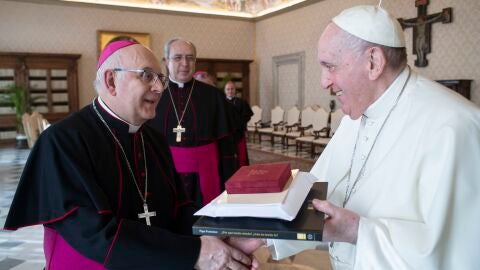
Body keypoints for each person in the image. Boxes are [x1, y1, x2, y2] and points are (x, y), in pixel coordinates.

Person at [3, 40, 260, 270]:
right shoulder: (63, 141)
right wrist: (196, 252)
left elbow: (179, 209)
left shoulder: (154, 139)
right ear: (111, 81)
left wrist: (220, 237)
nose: (159, 87)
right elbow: (95, 235)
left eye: (160, 77)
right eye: (147, 76)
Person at [266, 4, 480, 269]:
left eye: (330, 66)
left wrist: (357, 231)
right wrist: (260, 234)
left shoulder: (456, 126)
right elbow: (317, 198)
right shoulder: (356, 117)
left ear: (373, 62)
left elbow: (458, 249)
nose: (324, 82)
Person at [147, 38, 237, 206]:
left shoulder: (213, 96)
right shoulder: (154, 95)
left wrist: (230, 182)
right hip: (166, 173)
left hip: (208, 172)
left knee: (207, 217)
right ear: (166, 61)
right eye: (178, 57)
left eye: (190, 58)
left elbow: (226, 146)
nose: (185, 63)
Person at [224, 80, 253, 167]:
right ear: (225, 91)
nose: (230, 91)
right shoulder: (221, 103)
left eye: (232, 89)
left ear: (235, 90)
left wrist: (238, 124)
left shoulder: (241, 102)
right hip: (226, 133)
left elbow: (247, 116)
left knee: (241, 154)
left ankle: (242, 168)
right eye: (228, 89)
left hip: (238, 132)